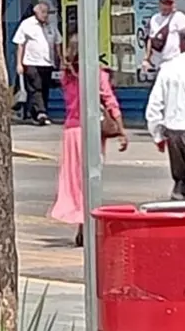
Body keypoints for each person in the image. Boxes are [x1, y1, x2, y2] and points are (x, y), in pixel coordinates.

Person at [49, 33, 126, 247]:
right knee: (91, 179)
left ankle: (81, 223)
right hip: (90, 131)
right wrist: (121, 130)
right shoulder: (97, 74)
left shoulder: (67, 76)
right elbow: (110, 101)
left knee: (74, 180)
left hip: (71, 132)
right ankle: (87, 226)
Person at [146, 29, 185, 201]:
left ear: (180, 45)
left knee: (179, 181)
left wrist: (157, 134)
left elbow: (155, 104)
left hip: (174, 131)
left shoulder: (168, 68)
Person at [13, 2, 60, 126]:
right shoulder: (27, 24)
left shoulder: (51, 25)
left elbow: (57, 43)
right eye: (43, 12)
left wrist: (60, 60)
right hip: (31, 62)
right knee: (35, 88)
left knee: (44, 88)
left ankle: (37, 114)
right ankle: (41, 112)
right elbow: (20, 44)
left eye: (47, 12)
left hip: (47, 63)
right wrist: (19, 63)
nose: (45, 15)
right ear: (36, 12)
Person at [143, 0, 185, 73]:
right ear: (159, 4)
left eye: (169, 4)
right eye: (164, 3)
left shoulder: (179, 17)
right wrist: (146, 59)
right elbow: (150, 40)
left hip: (175, 62)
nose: (166, 6)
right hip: (159, 64)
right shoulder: (154, 18)